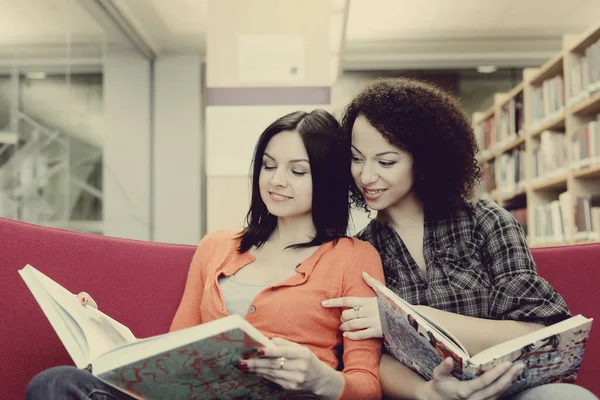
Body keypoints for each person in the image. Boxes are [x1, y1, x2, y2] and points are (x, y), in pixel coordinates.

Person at [25, 110, 385, 400]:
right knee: (56, 384)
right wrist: (100, 327)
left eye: (297, 171)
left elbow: (367, 383)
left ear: (327, 180)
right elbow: (175, 349)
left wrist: (321, 378)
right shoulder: (217, 245)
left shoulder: (354, 257)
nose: (276, 181)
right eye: (268, 165)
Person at [322, 78, 598, 400]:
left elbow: (540, 333)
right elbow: (366, 359)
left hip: (511, 389)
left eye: (386, 162)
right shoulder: (359, 249)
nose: (366, 176)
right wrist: (425, 391)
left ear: (424, 160)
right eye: (357, 159)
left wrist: (411, 317)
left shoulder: (485, 221)